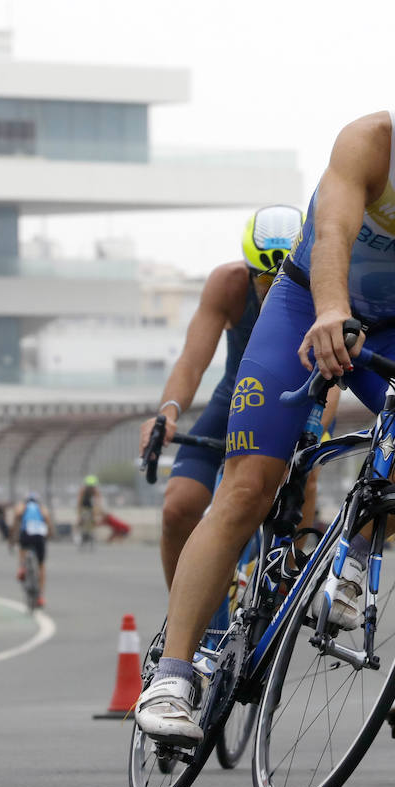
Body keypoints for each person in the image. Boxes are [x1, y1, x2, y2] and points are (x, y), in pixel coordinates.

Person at [135, 23, 395, 746]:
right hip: (304, 305)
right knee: (246, 487)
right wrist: (330, 310)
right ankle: (175, 674)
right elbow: (330, 233)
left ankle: (355, 549)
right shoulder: (370, 142)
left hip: (393, 326)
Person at [136, 204, 305, 588]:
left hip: (292, 404)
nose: (270, 288)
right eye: (261, 279)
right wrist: (169, 413)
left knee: (303, 483)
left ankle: (283, 592)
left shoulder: (320, 285)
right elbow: (192, 361)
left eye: (282, 278)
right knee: (178, 508)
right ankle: (182, 621)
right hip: (235, 400)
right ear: (247, 268)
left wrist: (315, 429)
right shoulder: (228, 284)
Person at [14, 492, 51, 606]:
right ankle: (40, 596)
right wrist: (49, 535)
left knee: (22, 549)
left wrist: (13, 537)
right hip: (40, 536)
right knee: (41, 565)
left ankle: (22, 568)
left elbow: (17, 516)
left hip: (26, 534)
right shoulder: (41, 507)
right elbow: (47, 519)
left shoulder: (23, 506)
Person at [77, 476, 101, 548]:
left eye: (92, 486)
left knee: (93, 520)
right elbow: (79, 502)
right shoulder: (83, 490)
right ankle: (82, 534)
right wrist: (79, 513)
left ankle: (91, 534)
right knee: (82, 520)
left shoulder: (95, 491)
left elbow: (97, 501)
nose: (91, 488)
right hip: (84, 507)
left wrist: (96, 511)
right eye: (89, 486)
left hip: (91, 507)